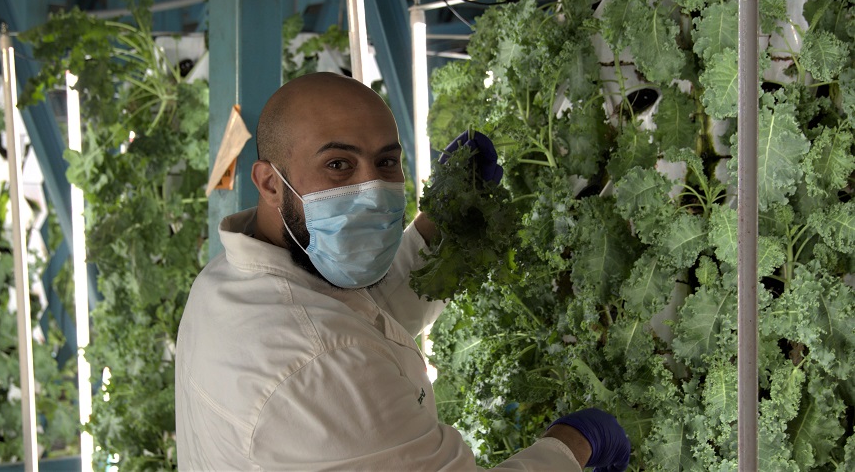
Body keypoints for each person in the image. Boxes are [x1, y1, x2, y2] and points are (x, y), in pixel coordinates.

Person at [175, 72, 630, 471]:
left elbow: (362, 316)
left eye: (387, 162)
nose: (372, 189)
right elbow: (336, 347)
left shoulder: (225, 281)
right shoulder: (319, 366)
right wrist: (574, 443)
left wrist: (439, 226)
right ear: (270, 182)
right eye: (338, 165)